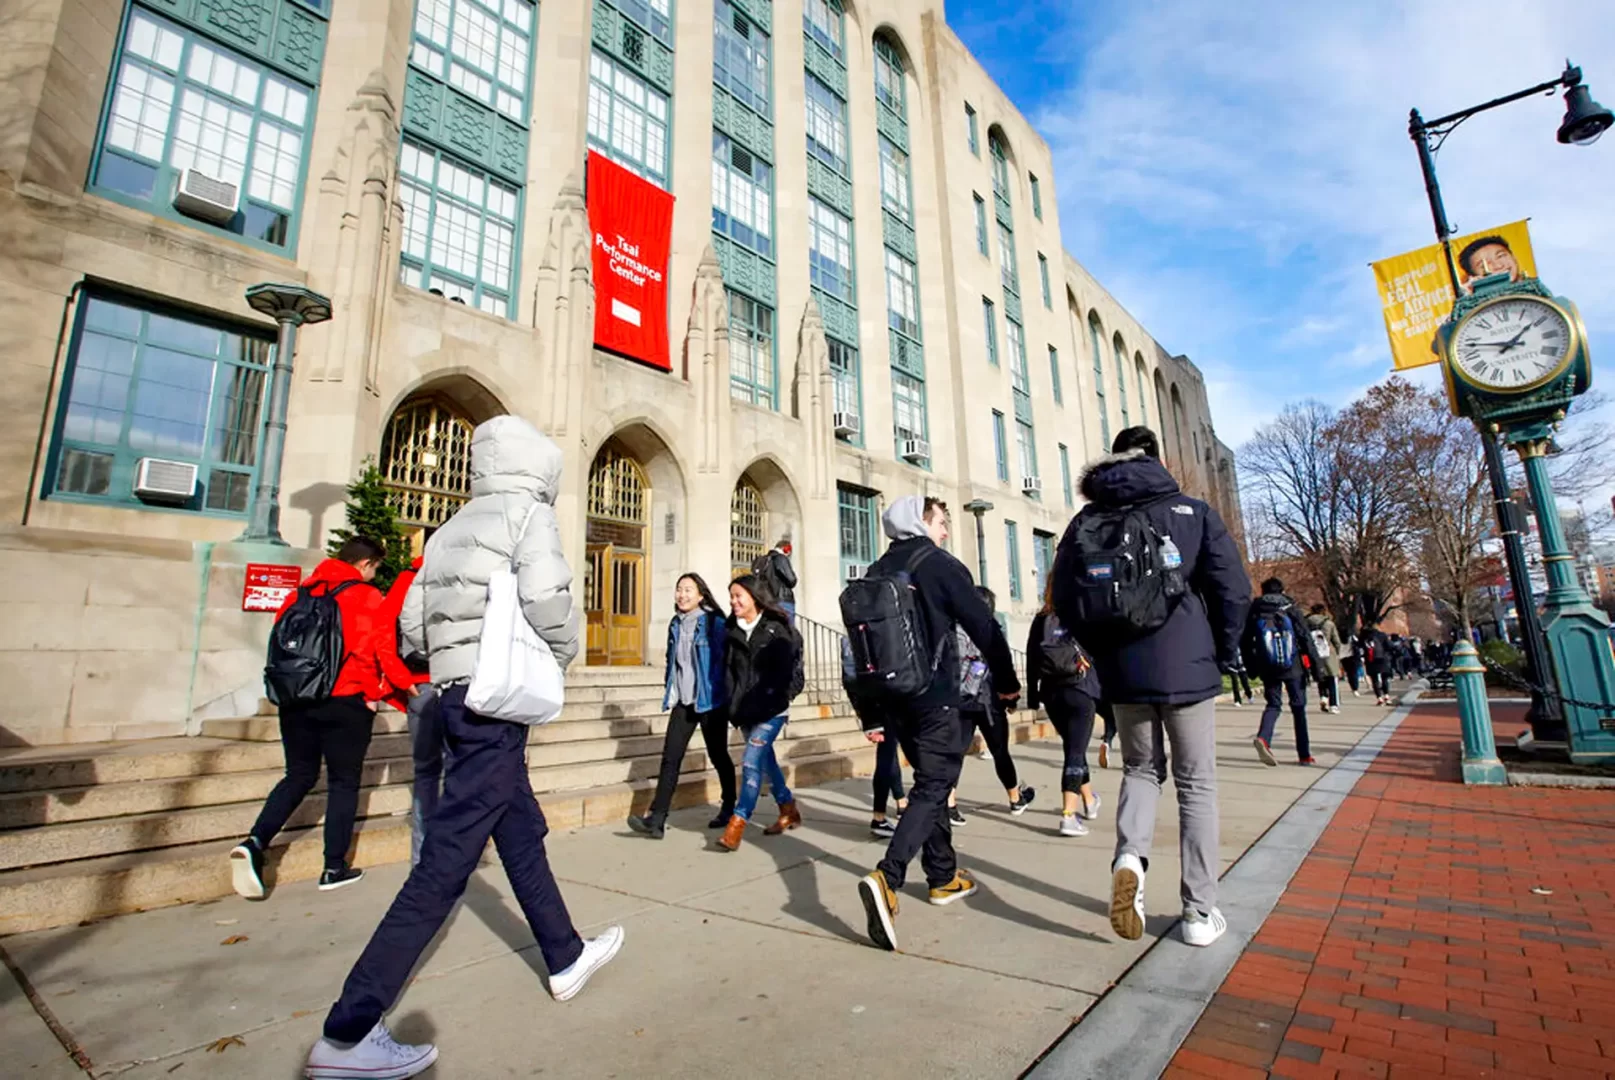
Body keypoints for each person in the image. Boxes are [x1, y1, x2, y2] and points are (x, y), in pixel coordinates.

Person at [304, 417, 622, 1080]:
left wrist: (449, 654)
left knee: (521, 832)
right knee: (444, 866)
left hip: (452, 696)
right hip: (495, 703)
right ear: (538, 467)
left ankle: (564, 954)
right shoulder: (527, 514)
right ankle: (348, 1031)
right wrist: (564, 653)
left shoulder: (449, 527)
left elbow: (412, 624)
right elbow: (547, 596)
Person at [1051, 427, 1250, 949]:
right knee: (1196, 783)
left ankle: (1128, 857)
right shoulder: (1191, 513)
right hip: (1188, 666)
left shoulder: (1087, 519)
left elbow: (1064, 598)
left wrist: (1100, 651)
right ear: (1157, 460)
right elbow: (1232, 590)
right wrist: (1223, 650)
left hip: (1123, 671)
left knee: (1141, 769)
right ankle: (1199, 912)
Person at [854, 496, 1020, 952]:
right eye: (941, 522)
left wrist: (870, 711)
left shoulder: (876, 570)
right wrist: (1007, 682)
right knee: (935, 785)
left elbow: (862, 649)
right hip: (936, 696)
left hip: (895, 700)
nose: (945, 531)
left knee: (931, 784)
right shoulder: (939, 565)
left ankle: (942, 876)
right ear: (921, 524)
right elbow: (984, 626)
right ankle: (887, 877)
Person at [230, 537, 418, 901]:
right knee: (343, 783)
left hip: (296, 698)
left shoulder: (299, 594)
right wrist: (378, 693)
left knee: (298, 774)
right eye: (376, 567)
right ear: (365, 564)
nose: (375, 574)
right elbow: (374, 650)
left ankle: (255, 840)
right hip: (345, 700)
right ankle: (334, 867)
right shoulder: (365, 596)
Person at [628, 574, 736, 839]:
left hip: (710, 701)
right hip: (683, 702)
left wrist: (726, 694)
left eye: (688, 590)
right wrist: (671, 688)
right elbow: (672, 660)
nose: (682, 595)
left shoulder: (714, 622)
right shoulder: (675, 623)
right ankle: (657, 820)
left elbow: (727, 660)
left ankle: (729, 807)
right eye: (679, 589)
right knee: (670, 758)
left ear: (701, 595)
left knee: (718, 755)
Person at [717, 574, 802, 851]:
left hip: (772, 710)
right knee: (767, 762)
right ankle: (788, 809)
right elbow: (729, 673)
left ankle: (737, 823)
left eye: (738, 596)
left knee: (751, 762)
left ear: (754, 597)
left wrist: (782, 696)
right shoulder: (731, 631)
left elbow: (791, 670)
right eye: (731, 597)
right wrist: (731, 703)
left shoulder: (777, 628)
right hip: (744, 710)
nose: (733, 601)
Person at [1027, 583, 1103, 837]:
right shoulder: (1084, 613)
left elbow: (1031, 656)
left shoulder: (1042, 619)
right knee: (1075, 751)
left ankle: (1089, 800)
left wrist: (1032, 696)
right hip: (1081, 689)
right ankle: (1068, 815)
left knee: (1073, 747)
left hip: (1052, 693)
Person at [954, 586, 1035, 821]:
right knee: (1000, 752)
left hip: (960, 700)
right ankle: (1015, 798)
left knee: (956, 754)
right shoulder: (991, 630)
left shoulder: (954, 630)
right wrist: (1012, 697)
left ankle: (950, 803)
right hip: (989, 702)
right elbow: (1004, 666)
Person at [379, 556, 440, 867]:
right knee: (452, 772)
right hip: (437, 682)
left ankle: (424, 861)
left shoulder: (410, 577)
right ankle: (444, 857)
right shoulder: (415, 576)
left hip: (425, 683)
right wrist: (403, 680)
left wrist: (402, 680)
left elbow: (383, 629)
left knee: (428, 773)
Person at [1243, 578, 1320, 767]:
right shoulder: (1291, 608)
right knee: (1298, 707)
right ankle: (1304, 754)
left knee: (1273, 704)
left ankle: (1263, 738)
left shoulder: (1255, 610)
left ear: (1263, 591)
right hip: (1293, 665)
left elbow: (1245, 640)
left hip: (1267, 665)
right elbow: (1305, 638)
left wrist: (1251, 668)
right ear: (1282, 590)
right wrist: (1317, 668)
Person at [843, 637, 908, 836]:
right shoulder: (859, 636)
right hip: (884, 702)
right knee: (886, 756)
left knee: (889, 754)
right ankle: (879, 817)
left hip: (892, 698)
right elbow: (852, 679)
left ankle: (900, 801)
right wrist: (870, 721)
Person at [1305, 604, 1344, 716]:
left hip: (1313, 654)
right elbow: (1336, 641)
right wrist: (1338, 652)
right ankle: (1333, 705)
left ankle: (1323, 697)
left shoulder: (1306, 622)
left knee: (1320, 677)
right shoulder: (1329, 623)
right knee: (1332, 678)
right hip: (1328, 653)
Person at [752, 538, 797, 621]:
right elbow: (792, 580)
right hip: (782, 600)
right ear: (786, 549)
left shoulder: (762, 560)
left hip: (766, 601)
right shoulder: (781, 558)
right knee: (787, 626)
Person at [1361, 622, 1395, 705]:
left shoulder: (1363, 636)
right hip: (1382, 658)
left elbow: (1360, 646)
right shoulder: (1382, 635)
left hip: (1370, 659)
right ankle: (1386, 695)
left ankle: (1379, 697)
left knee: (1374, 679)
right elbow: (1389, 646)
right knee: (1384, 678)